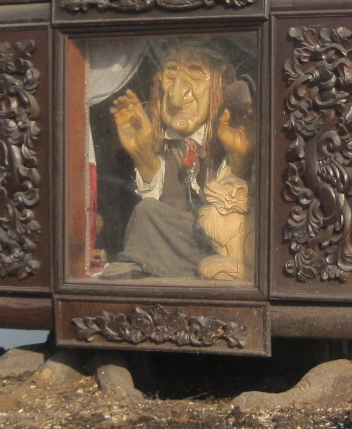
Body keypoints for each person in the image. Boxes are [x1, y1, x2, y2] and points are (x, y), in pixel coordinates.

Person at [104, 40, 254, 280]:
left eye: (196, 72)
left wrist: (238, 158)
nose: (175, 97)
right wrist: (144, 158)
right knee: (146, 210)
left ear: (222, 83)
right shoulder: (166, 141)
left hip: (220, 252)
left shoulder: (234, 134)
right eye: (171, 72)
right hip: (179, 254)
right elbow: (159, 213)